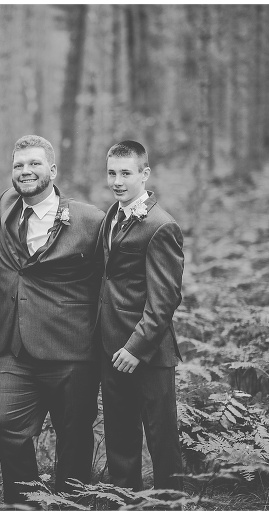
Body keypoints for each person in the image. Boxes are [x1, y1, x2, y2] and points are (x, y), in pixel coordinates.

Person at [0, 135, 104, 503]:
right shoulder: (6, 206)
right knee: (3, 423)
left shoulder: (89, 220)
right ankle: (26, 501)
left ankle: (70, 503)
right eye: (19, 165)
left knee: (74, 434)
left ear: (52, 170)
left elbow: (108, 279)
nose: (26, 171)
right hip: (15, 347)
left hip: (71, 349)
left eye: (35, 164)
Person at [98, 140, 184, 490]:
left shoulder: (161, 226)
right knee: (119, 433)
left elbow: (165, 298)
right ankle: (123, 499)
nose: (117, 181)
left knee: (161, 435)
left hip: (149, 350)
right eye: (112, 173)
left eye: (126, 173)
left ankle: (170, 503)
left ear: (144, 174)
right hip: (111, 345)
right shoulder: (111, 215)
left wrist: (136, 347)